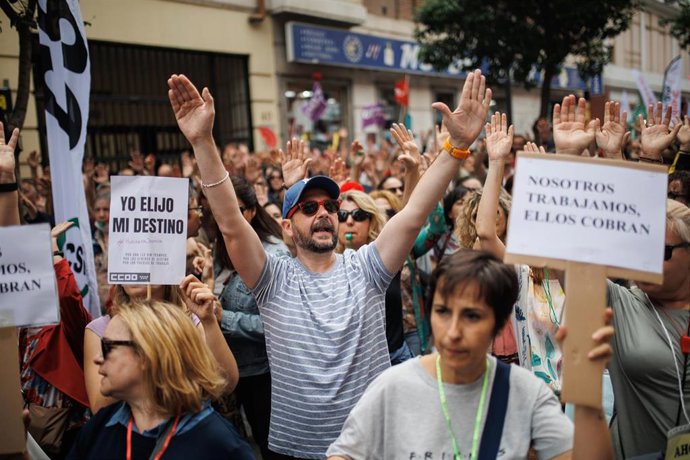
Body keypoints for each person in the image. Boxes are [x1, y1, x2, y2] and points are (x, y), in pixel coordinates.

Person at [167, 68, 493, 458]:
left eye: (331, 206)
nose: (323, 213)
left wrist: (455, 148)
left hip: (371, 446)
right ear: (287, 226)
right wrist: (203, 141)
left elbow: (413, 214)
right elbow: (231, 224)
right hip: (296, 450)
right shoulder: (272, 278)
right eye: (308, 207)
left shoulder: (367, 269)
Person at [326, 250, 614, 459]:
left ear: (500, 323)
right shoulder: (393, 387)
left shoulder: (525, 392)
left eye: (472, 316)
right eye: (442, 312)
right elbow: (344, 453)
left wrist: (586, 389)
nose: (452, 332)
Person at [67, 301, 253, 459]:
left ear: (147, 354)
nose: (97, 358)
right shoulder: (101, 425)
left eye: (107, 347)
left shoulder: (219, 446)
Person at [215, 175, 291, 459]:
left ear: (249, 211)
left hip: (264, 374)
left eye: (231, 209)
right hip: (226, 375)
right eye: (216, 209)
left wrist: (225, 318)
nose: (222, 217)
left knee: (270, 447)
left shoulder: (274, 255)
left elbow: (280, 322)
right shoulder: (217, 249)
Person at [84, 277, 238, 413]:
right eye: (130, 256)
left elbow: (226, 383)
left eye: (147, 255)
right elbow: (99, 408)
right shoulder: (100, 329)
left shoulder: (191, 321)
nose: (137, 267)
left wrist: (209, 321)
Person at [336, 190, 411, 364]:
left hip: (396, 359)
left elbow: (410, 218)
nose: (349, 221)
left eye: (358, 215)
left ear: (371, 220)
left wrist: (413, 171)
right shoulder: (325, 262)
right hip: (353, 365)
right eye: (342, 215)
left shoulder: (388, 256)